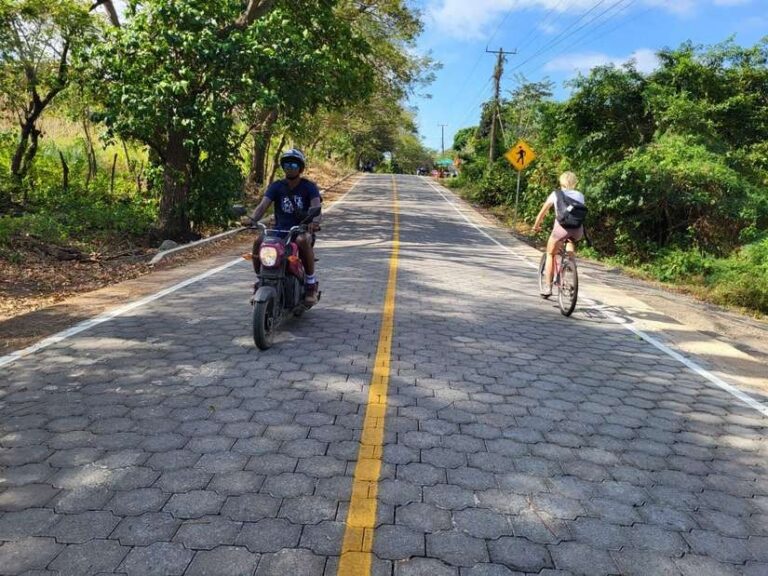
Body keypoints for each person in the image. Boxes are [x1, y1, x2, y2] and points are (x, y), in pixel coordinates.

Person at [247, 149, 322, 305]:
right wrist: (252, 219)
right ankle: (260, 280)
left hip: (301, 230)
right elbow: (262, 206)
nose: (290, 167)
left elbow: (316, 207)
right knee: (258, 241)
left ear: (300, 168)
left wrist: (314, 222)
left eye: (294, 164)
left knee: (302, 240)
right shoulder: (277, 186)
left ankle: (310, 284)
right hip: (279, 231)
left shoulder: (309, 187)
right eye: (286, 164)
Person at [532, 171, 585, 297]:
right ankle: (571, 269)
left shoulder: (556, 194)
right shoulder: (580, 195)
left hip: (560, 229)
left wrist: (536, 226)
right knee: (570, 243)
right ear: (575, 182)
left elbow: (542, 213)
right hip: (577, 230)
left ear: (561, 182)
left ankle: (548, 288)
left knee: (550, 254)